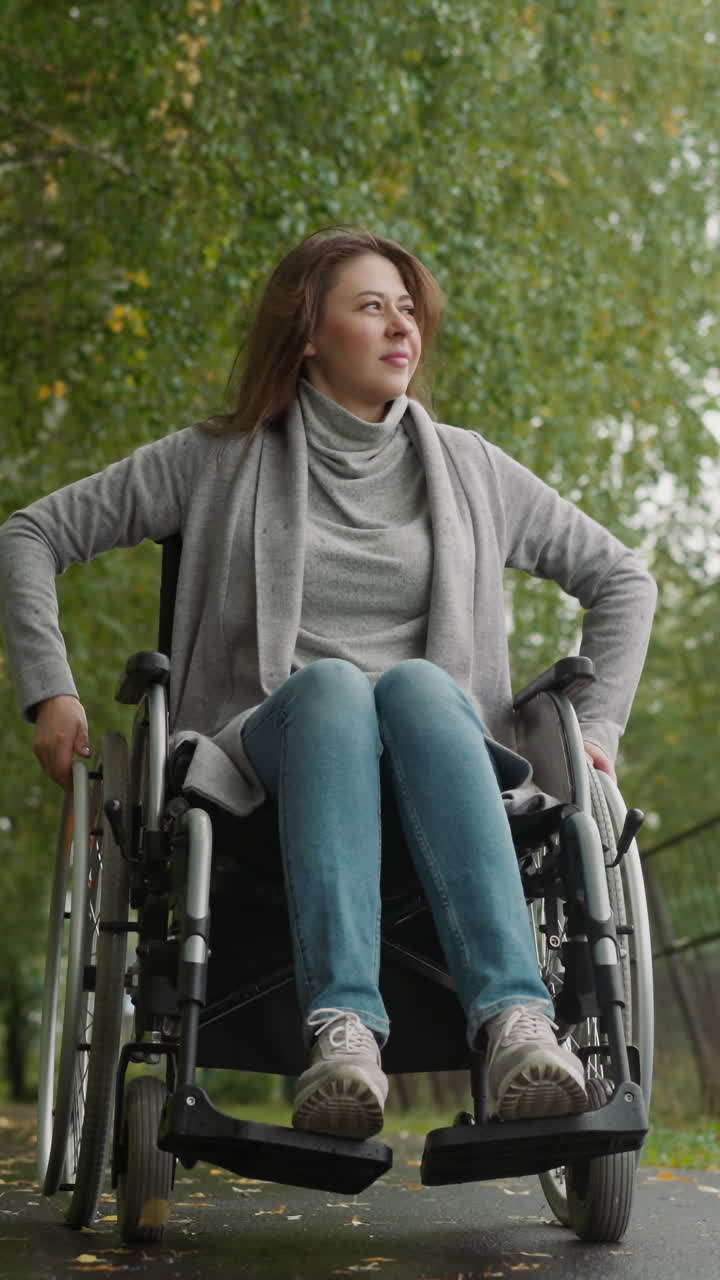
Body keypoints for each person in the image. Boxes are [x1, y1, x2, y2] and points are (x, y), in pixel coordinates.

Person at [0, 228, 656, 1142]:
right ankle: (342, 1035)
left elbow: (624, 579)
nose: (402, 326)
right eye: (371, 306)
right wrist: (51, 690)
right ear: (308, 333)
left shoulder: (472, 468)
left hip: (439, 754)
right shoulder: (213, 458)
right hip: (269, 753)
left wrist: (599, 728)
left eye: (408, 308)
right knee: (339, 691)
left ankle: (519, 1025)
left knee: (425, 689)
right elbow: (28, 534)